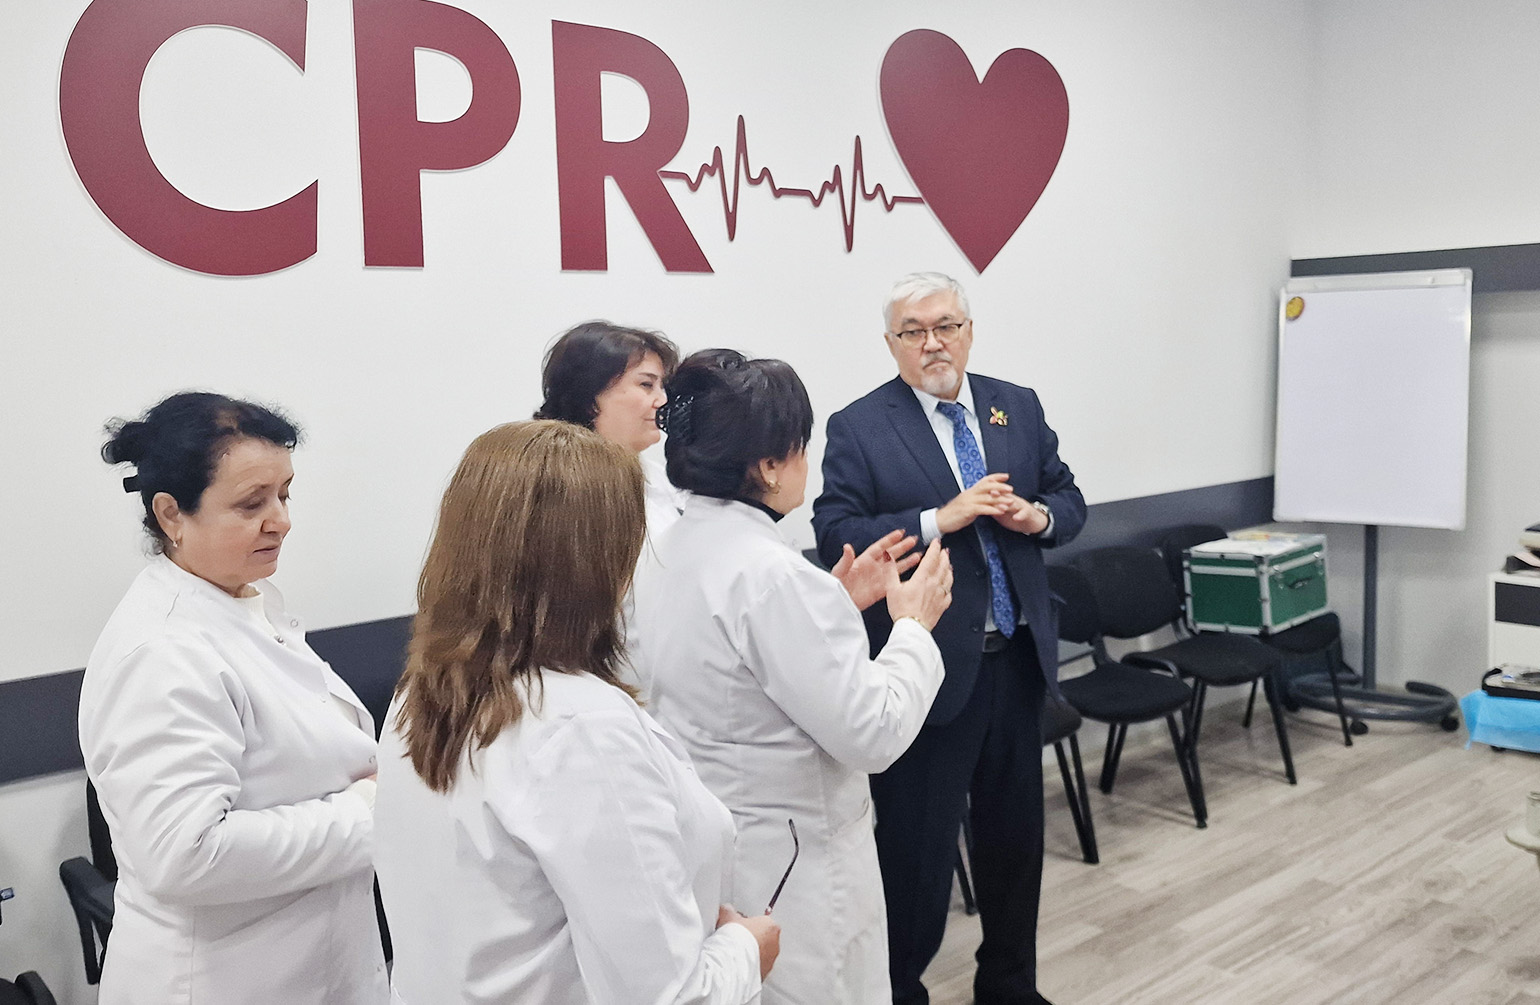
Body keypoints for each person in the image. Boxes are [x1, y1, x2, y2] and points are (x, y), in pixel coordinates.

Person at [374, 420, 778, 1005]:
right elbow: (668, 996)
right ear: (595, 564)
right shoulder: (581, 729)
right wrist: (746, 949)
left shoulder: (421, 692)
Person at [634, 349, 954, 1005]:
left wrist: (834, 599)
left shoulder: (667, 552)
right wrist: (914, 627)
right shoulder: (773, 576)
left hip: (717, 842)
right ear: (771, 465)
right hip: (799, 863)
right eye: (800, 446)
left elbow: (740, 669)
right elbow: (873, 732)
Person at [812, 273, 1087, 1005]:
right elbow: (836, 533)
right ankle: (899, 990)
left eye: (946, 326)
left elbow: (1068, 496)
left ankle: (1010, 985)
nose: (933, 343)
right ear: (891, 343)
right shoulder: (860, 425)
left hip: (1016, 659)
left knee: (1015, 843)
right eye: (914, 331)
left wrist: (1037, 517)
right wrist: (942, 517)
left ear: (969, 331)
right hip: (929, 671)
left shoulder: (1015, 405)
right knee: (917, 856)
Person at [80, 391, 387, 1005]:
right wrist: (372, 814)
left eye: (285, 495)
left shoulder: (243, 601)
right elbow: (186, 855)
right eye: (252, 504)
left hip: (315, 962)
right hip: (220, 981)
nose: (281, 520)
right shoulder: (162, 651)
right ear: (171, 514)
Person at [534, 320, 687, 693]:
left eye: (662, 386)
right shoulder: (552, 488)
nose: (662, 400)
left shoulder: (662, 480)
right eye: (647, 385)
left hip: (670, 691)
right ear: (591, 396)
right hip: (592, 693)